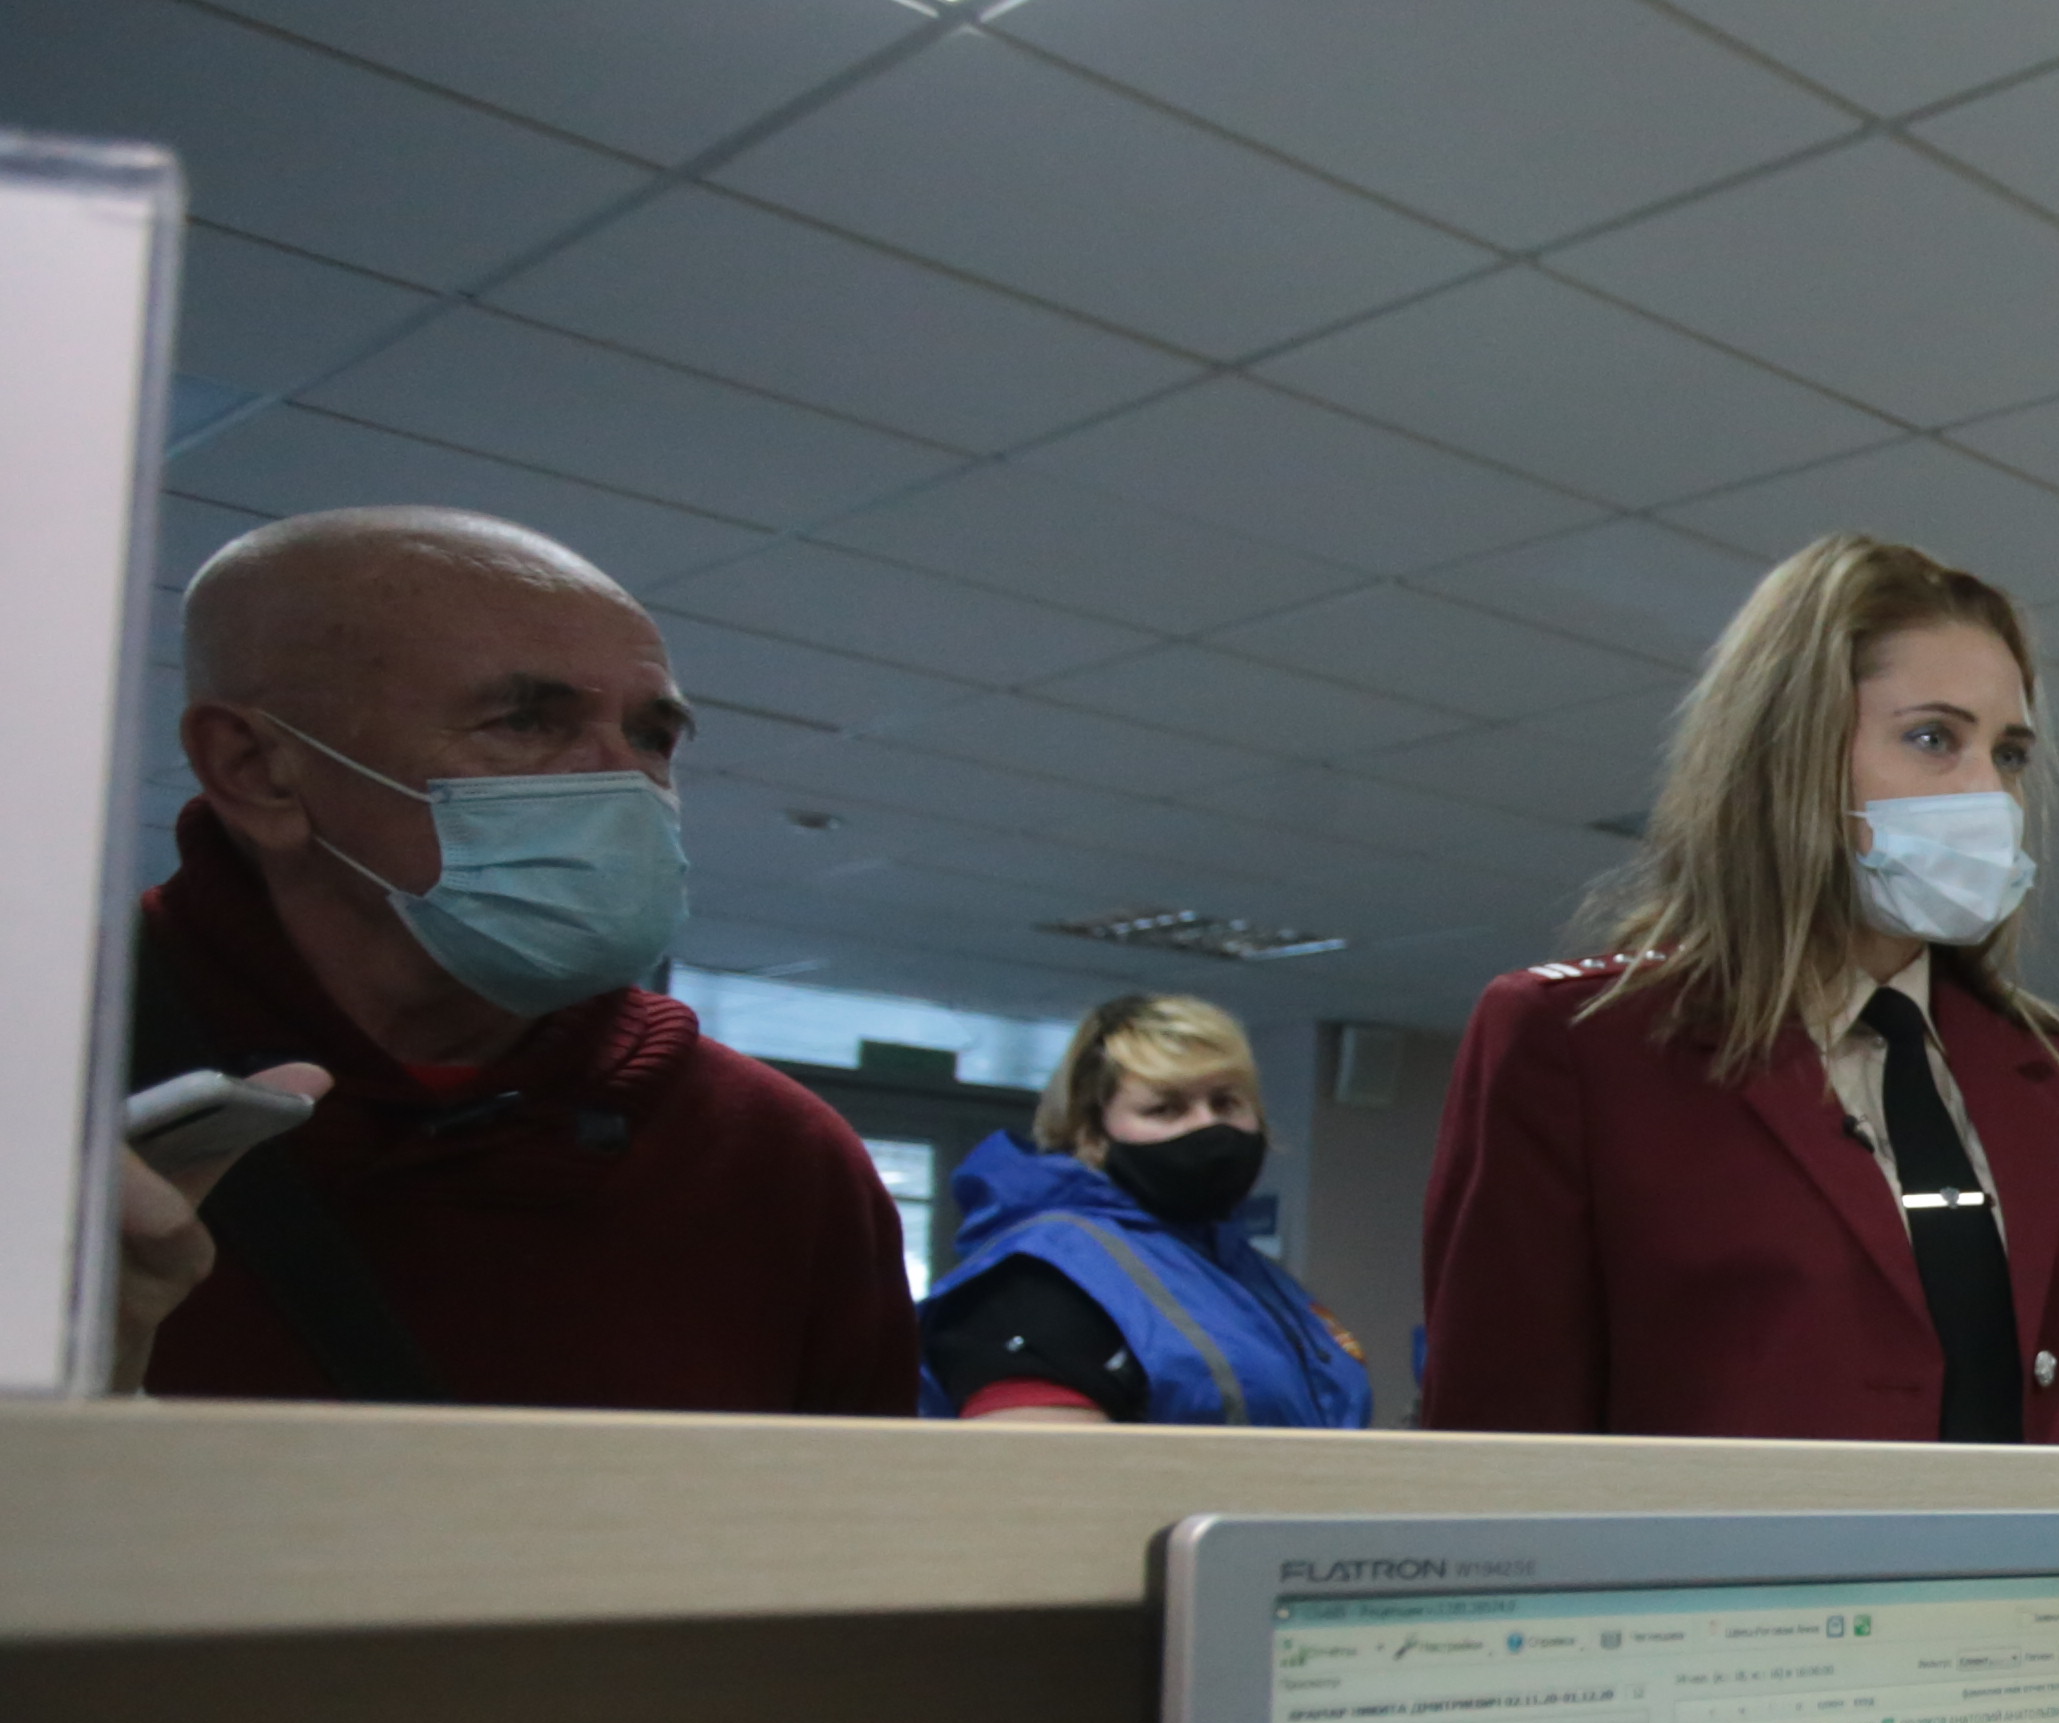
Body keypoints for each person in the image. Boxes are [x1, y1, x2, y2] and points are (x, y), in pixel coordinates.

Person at [124, 506, 915, 1412]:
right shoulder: (60, 1083)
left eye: (652, 737)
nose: (624, 783)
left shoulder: (775, 1156)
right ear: (257, 769)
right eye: (527, 722)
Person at [1419, 534, 2059, 1441]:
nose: (1988, 794)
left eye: (2010, 756)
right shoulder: (1583, 1047)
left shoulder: (2056, 1076)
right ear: (1791, 754)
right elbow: (1500, 1436)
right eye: (1933, 739)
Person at [923, 993, 1372, 1428]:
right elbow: (1039, 1470)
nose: (1208, 1125)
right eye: (1166, 1108)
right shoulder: (1043, 1277)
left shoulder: (1247, 1275)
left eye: (1226, 1102)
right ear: (1092, 1134)